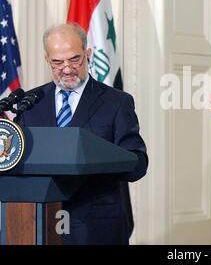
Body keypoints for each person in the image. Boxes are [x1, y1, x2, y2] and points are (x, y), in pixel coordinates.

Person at [19, 23, 148, 245]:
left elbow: (138, 163)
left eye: (75, 59)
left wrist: (97, 158)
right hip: (40, 223)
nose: (67, 69)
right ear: (47, 60)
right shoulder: (30, 103)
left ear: (88, 54)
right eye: (57, 62)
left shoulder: (116, 102)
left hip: (97, 225)